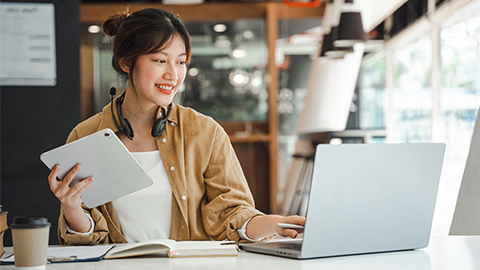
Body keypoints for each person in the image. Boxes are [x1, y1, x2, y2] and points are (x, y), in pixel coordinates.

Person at [48, 8, 305, 245]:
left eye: (180, 62)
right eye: (160, 61)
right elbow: (88, 239)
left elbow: (232, 215)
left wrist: (271, 224)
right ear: (127, 63)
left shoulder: (205, 132)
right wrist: (71, 208)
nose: (173, 75)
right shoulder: (86, 136)